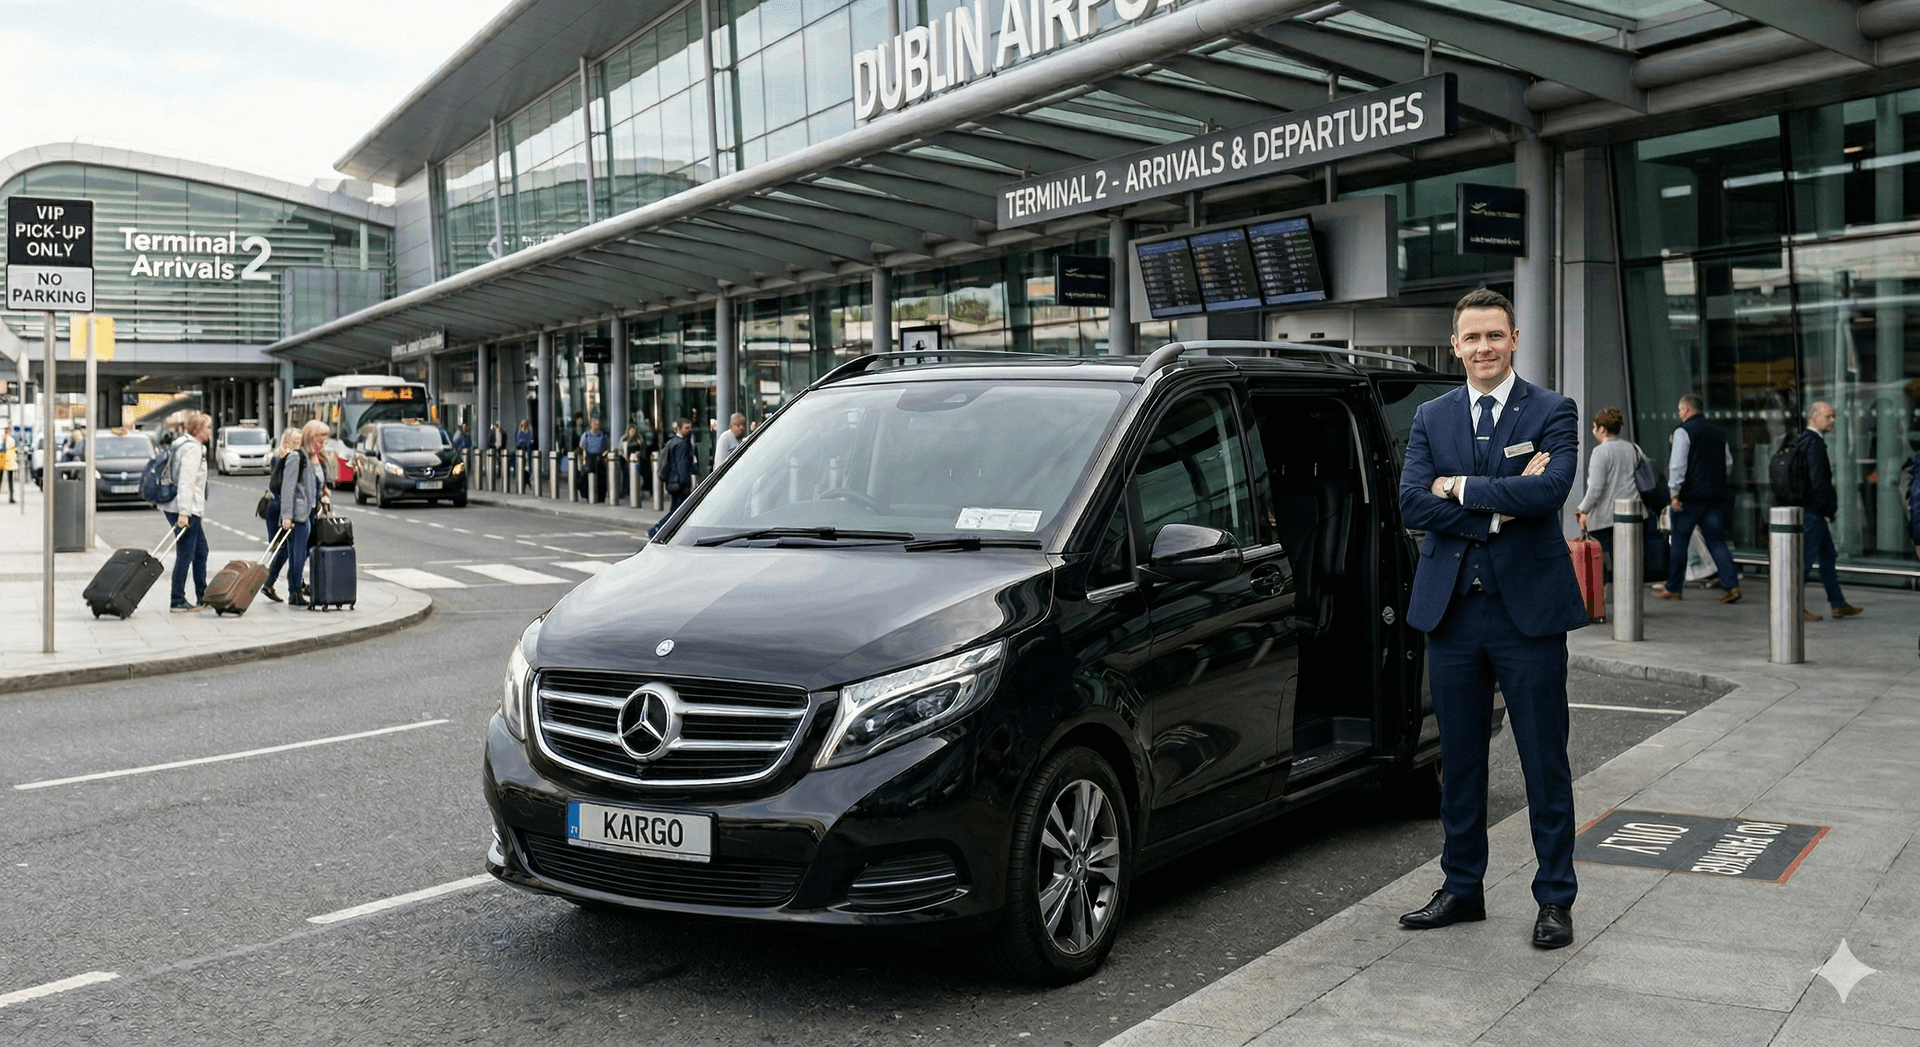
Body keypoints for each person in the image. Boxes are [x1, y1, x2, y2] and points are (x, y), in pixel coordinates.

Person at [1397, 288, 1586, 951]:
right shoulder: (1431, 415)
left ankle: (1555, 899)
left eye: (1494, 336)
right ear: (1455, 346)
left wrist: (1462, 488)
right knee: (1460, 761)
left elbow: (1548, 490)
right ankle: (1461, 887)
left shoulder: (1552, 410)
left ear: (1514, 339)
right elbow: (1413, 503)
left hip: (1528, 615)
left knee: (1544, 762)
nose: (1483, 347)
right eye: (1470, 337)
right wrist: (1499, 509)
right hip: (1451, 614)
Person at [1656, 394, 1741, 603]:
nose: (1678, 415)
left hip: (1689, 498)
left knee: (1679, 540)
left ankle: (1674, 587)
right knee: (1716, 540)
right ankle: (1732, 586)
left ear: (1686, 410)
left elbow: (1677, 466)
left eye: (1679, 411)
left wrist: (1674, 492)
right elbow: (1727, 464)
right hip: (1715, 496)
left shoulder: (1683, 432)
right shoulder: (1718, 432)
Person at [1792, 402, 1862, 621]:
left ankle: (1838, 603)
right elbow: (1819, 482)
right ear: (1813, 418)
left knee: (1827, 555)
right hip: (1814, 512)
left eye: (1833, 416)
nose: (1832, 421)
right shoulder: (1813, 444)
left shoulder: (1802, 441)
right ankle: (1794, 607)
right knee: (1804, 562)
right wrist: (1827, 509)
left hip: (1811, 510)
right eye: (1828, 416)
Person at [1574, 407, 1647, 579]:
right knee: (1629, 564)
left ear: (1602, 429)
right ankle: (1628, 600)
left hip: (1607, 518)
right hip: (1634, 514)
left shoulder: (1600, 452)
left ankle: (1610, 600)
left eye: (1594, 427)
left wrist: (1583, 509)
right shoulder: (1633, 448)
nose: (1593, 431)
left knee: (1608, 565)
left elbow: (1596, 488)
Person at [161, 411, 213, 612]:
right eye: (207, 427)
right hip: (185, 508)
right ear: (199, 429)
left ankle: (203, 594)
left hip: (180, 507)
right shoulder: (192, 449)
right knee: (186, 553)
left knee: (201, 551)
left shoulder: (181, 444)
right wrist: (184, 513)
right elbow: (186, 482)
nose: (210, 430)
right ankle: (177, 599)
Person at [277, 421, 330, 607]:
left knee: (305, 551)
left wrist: (323, 492)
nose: (323, 445)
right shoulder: (297, 457)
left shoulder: (317, 458)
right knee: (297, 553)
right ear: (310, 438)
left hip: (312, 512)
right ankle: (295, 592)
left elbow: (316, 482)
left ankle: (296, 586)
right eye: (320, 440)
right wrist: (286, 516)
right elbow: (288, 488)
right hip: (298, 514)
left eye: (325, 440)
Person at [261, 427, 302, 603]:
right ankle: (271, 582)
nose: (299, 444)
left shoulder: (287, 456)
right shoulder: (284, 457)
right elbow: (284, 486)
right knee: (284, 548)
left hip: (278, 506)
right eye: (295, 441)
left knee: (288, 548)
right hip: (279, 508)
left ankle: (297, 583)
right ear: (288, 441)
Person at [648, 417, 694, 537]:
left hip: (672, 482)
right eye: (686, 428)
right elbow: (682, 466)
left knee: (675, 510)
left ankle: (660, 531)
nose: (689, 430)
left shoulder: (672, 441)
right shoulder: (681, 444)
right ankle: (657, 530)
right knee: (676, 512)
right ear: (679, 429)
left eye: (690, 427)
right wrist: (685, 483)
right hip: (679, 483)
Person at [576, 417, 609, 501]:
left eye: (597, 424)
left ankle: (601, 497)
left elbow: (606, 447)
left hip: (599, 458)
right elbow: (581, 446)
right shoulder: (586, 435)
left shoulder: (603, 435)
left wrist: (604, 456)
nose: (595, 426)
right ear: (591, 424)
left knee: (602, 477)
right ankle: (587, 495)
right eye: (594, 424)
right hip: (589, 457)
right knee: (585, 475)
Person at [514, 420, 536, 486]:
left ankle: (528, 477)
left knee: (528, 465)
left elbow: (531, 440)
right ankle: (524, 478)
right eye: (522, 425)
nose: (523, 426)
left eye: (524, 425)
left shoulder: (529, 432)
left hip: (528, 451)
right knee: (522, 465)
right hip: (522, 451)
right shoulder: (519, 432)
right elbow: (518, 441)